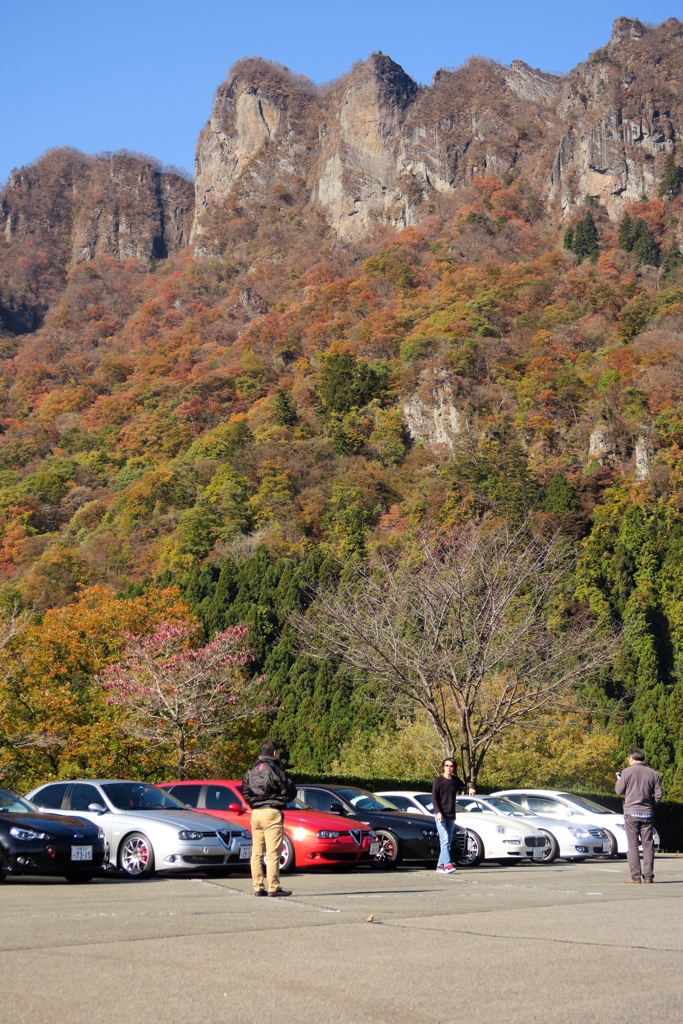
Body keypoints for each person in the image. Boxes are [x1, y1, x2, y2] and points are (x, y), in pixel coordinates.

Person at [242, 739, 297, 897]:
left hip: (256, 813)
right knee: (273, 853)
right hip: (272, 812)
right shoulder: (276, 769)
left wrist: (254, 802)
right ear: (275, 753)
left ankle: (258, 886)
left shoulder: (251, 770)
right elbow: (288, 791)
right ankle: (273, 886)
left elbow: (245, 792)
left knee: (257, 853)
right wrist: (282, 798)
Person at [615, 747, 663, 884]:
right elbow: (659, 794)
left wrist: (619, 780)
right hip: (647, 813)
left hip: (631, 812)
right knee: (648, 845)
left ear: (631, 758)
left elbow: (619, 791)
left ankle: (635, 877)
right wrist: (650, 805)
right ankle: (648, 877)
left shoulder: (626, 772)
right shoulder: (654, 774)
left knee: (633, 845)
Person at [431, 758, 476, 874]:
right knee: (445, 839)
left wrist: (469, 789)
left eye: (451, 766)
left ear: (454, 768)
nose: (448, 768)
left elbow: (463, 788)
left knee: (448, 841)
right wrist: (438, 812)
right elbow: (434, 798)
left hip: (451, 815)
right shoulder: (438, 780)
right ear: (443, 767)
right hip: (440, 815)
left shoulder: (454, 780)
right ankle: (448, 865)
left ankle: (440, 866)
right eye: (446, 765)